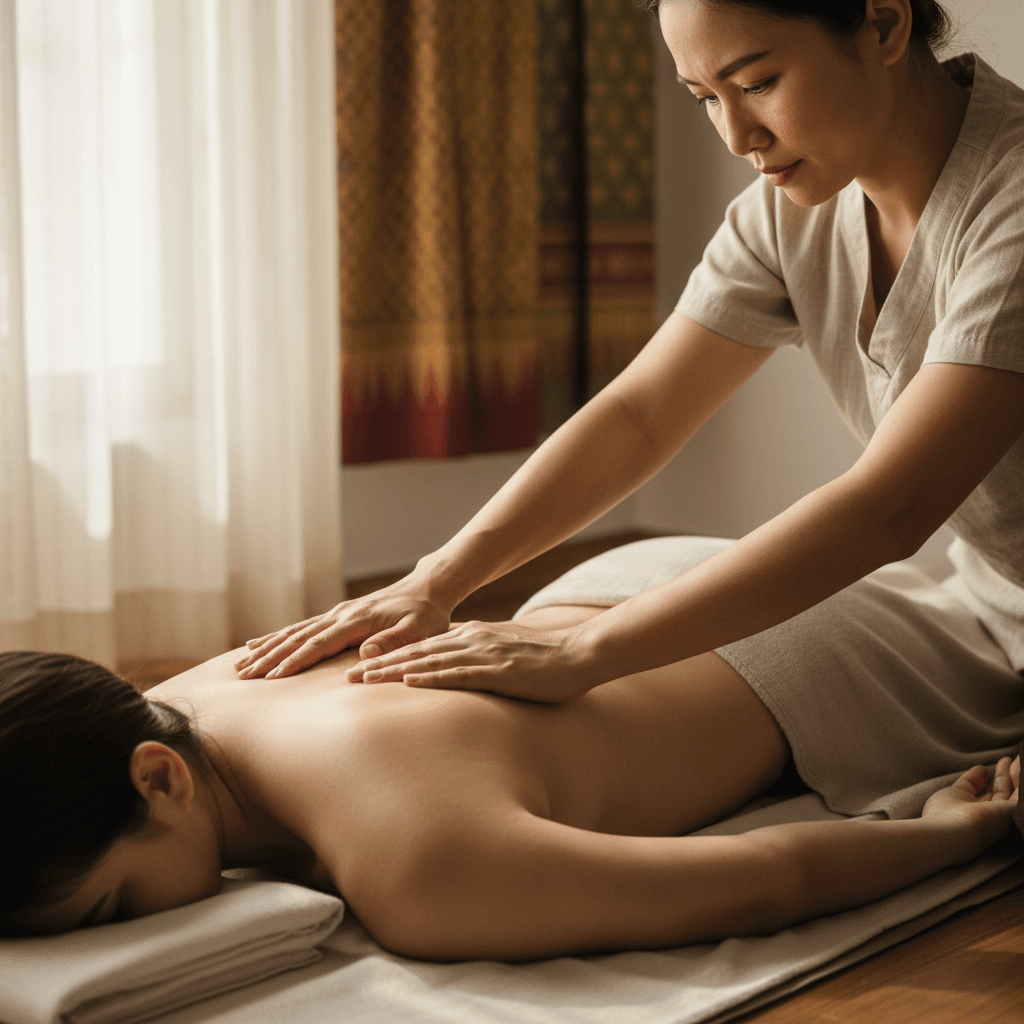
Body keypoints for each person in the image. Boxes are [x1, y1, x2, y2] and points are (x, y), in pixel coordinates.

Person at [236, 0, 1024, 817]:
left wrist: (587, 652)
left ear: (885, 24)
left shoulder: (1014, 202)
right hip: (984, 608)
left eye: (757, 82)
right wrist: (437, 582)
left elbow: (888, 510)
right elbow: (640, 415)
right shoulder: (786, 215)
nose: (735, 136)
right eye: (703, 98)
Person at [1, 643, 1018, 961]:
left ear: (158, 776)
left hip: (839, 661)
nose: (115, 945)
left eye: (115, 911)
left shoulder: (413, 863)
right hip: (630, 596)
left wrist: (948, 837)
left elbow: (761, 879)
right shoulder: (183, 695)